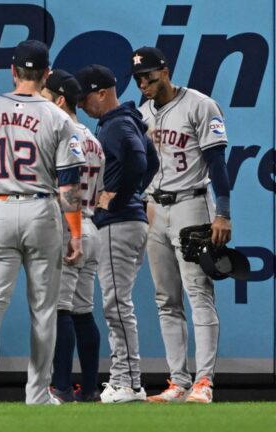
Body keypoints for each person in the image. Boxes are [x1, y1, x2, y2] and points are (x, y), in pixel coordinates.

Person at [0, 40, 85, 405]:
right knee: (44, 309)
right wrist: (75, 231)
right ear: (46, 74)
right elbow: (69, 184)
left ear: (12, 71)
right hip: (40, 209)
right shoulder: (58, 117)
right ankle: (37, 394)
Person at [131, 46, 233, 404]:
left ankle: (203, 381)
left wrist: (222, 212)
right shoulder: (141, 114)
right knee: (166, 299)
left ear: (166, 70)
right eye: (139, 78)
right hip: (154, 209)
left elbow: (217, 162)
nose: (144, 83)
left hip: (192, 203)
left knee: (199, 292)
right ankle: (178, 382)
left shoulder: (200, 105)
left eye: (150, 76)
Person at [75, 64, 159, 403]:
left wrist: (118, 197)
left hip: (120, 223)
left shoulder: (116, 123)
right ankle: (128, 379)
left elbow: (140, 161)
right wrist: (132, 192)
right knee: (117, 304)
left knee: (116, 305)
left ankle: (128, 381)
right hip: (129, 221)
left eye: (85, 99)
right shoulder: (125, 120)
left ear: (101, 92)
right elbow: (150, 161)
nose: (81, 105)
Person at [40, 69, 104, 403]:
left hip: (69, 227)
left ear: (60, 99)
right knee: (82, 311)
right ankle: (90, 388)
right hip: (92, 225)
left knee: (61, 310)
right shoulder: (93, 139)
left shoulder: (61, 135)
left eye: (46, 95)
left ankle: (61, 387)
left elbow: (65, 187)